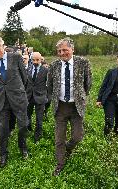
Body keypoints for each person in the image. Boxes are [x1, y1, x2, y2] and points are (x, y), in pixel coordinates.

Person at [47, 37, 92, 176]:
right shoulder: (54, 65)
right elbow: (50, 84)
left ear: (72, 49)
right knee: (59, 138)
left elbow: (88, 83)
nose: (61, 53)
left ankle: (68, 147)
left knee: (77, 137)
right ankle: (60, 164)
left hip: (76, 107)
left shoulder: (83, 63)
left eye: (65, 50)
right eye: (59, 51)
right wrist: (53, 98)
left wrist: (81, 96)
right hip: (60, 107)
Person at [0, 36, 29, 168]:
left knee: (23, 125)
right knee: (3, 128)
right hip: (2, 99)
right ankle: (3, 154)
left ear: (3, 45)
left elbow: (24, 78)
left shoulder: (16, 57)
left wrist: (17, 90)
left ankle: (22, 147)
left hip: (18, 97)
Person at [26, 52, 49, 143]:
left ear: (41, 59)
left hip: (40, 97)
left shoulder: (46, 70)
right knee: (27, 116)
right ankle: (28, 130)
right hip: (29, 97)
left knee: (39, 119)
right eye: (33, 60)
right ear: (31, 60)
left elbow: (49, 85)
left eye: (37, 60)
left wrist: (47, 96)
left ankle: (38, 136)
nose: (35, 62)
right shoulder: (28, 69)